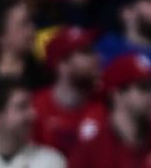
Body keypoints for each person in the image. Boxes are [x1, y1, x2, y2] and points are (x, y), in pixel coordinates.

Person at [33, 26, 107, 156]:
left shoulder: (106, 102)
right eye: (86, 52)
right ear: (62, 64)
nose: (97, 58)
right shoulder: (35, 108)